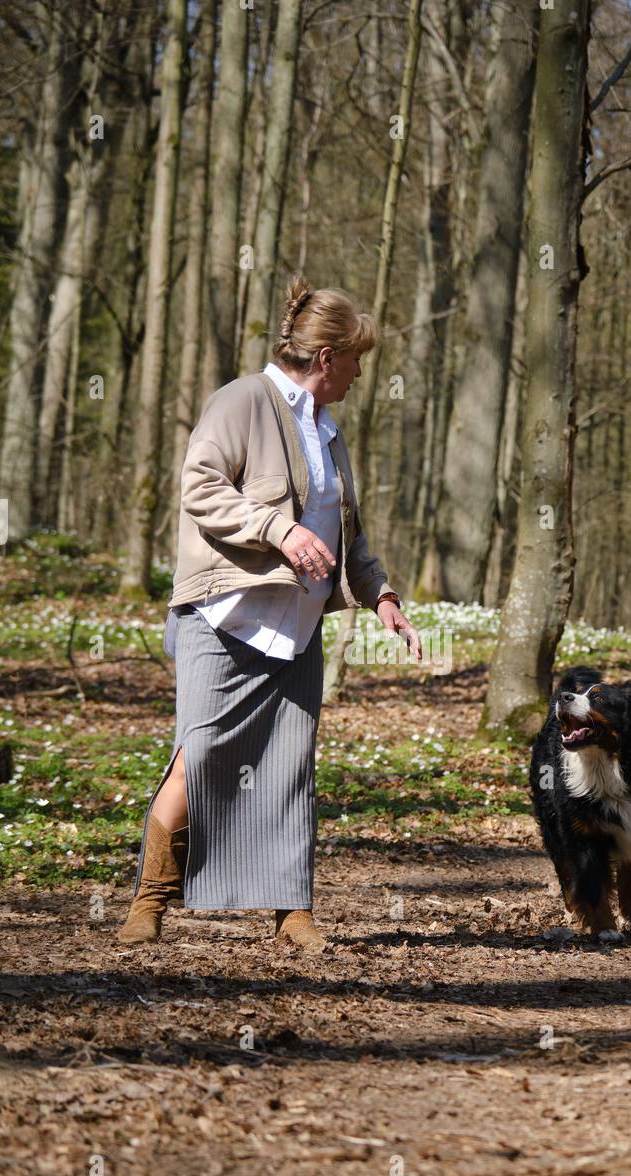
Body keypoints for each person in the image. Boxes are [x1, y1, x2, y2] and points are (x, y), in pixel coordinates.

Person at [118, 275, 422, 951]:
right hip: (224, 618)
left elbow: (349, 534)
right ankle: (150, 901)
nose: (358, 374)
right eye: (355, 360)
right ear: (325, 359)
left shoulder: (330, 434)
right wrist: (277, 530)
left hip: (297, 631)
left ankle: (292, 914)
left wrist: (382, 596)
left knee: (289, 771)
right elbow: (200, 487)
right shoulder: (241, 402)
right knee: (200, 757)